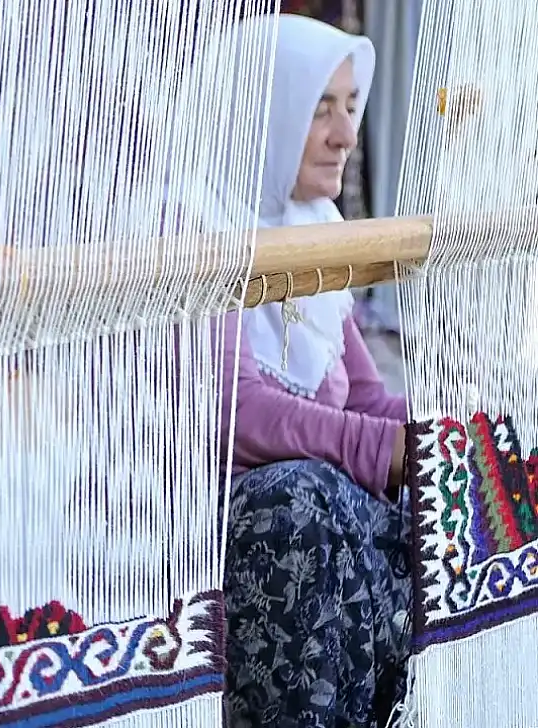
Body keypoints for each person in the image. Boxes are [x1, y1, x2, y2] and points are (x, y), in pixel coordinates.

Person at [211, 15, 413, 728]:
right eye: (318, 107)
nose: (345, 135)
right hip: (220, 516)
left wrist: (444, 437)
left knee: (471, 482)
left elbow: (362, 395)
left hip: (319, 502)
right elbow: (236, 412)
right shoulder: (196, 225)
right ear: (260, 110)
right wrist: (381, 451)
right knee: (298, 496)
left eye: (351, 106)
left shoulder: (315, 223)